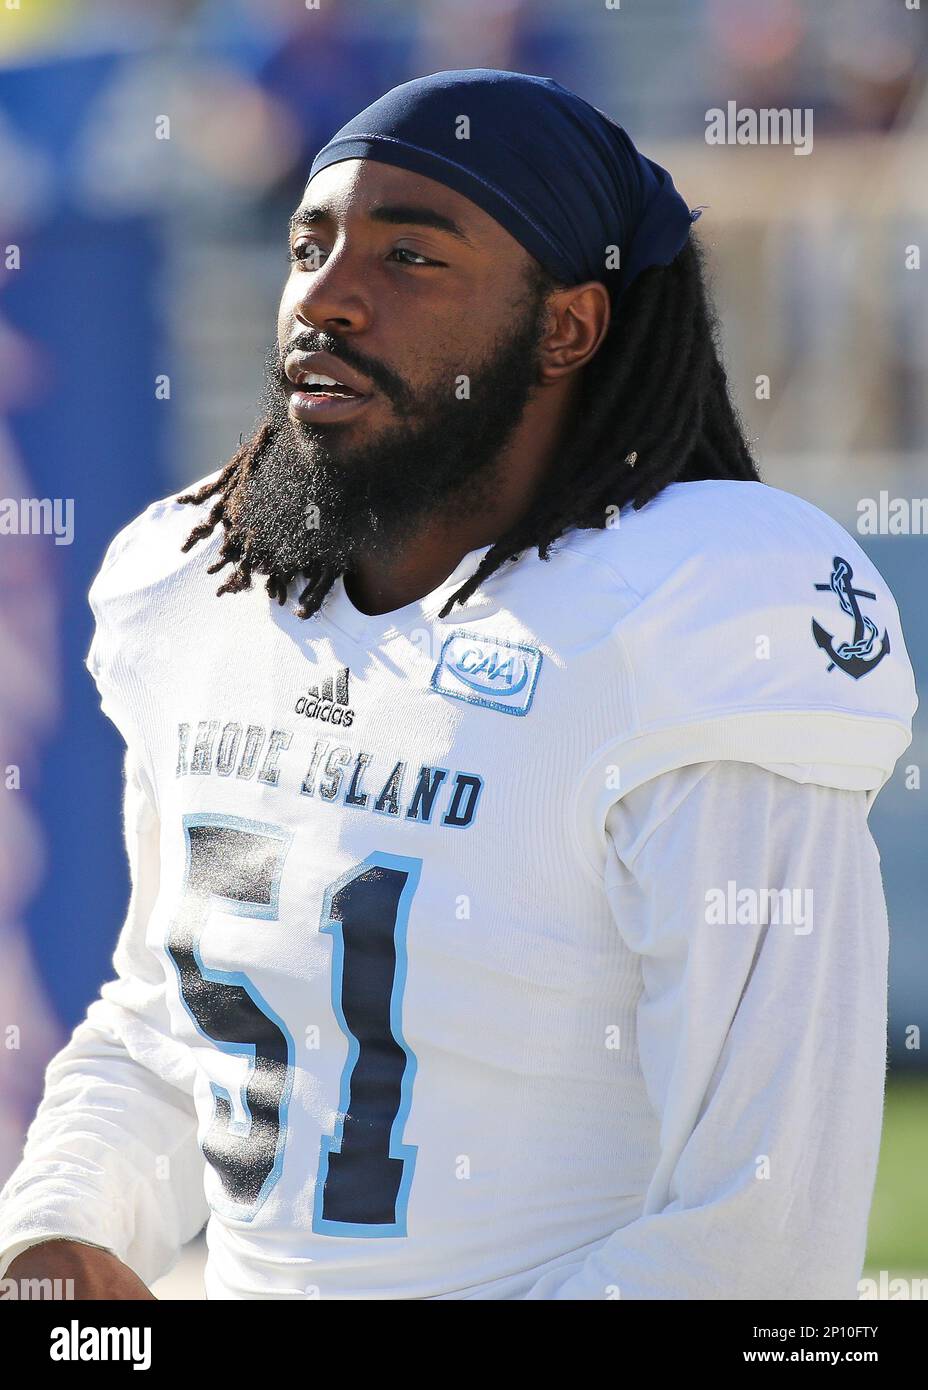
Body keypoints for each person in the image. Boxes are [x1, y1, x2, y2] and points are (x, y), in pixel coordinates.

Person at [0, 69, 916, 1301]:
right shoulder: (198, 584)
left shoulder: (691, 610)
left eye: (410, 257)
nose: (325, 298)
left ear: (565, 328)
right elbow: (173, 1023)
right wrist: (62, 1228)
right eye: (309, 244)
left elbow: (754, 1244)